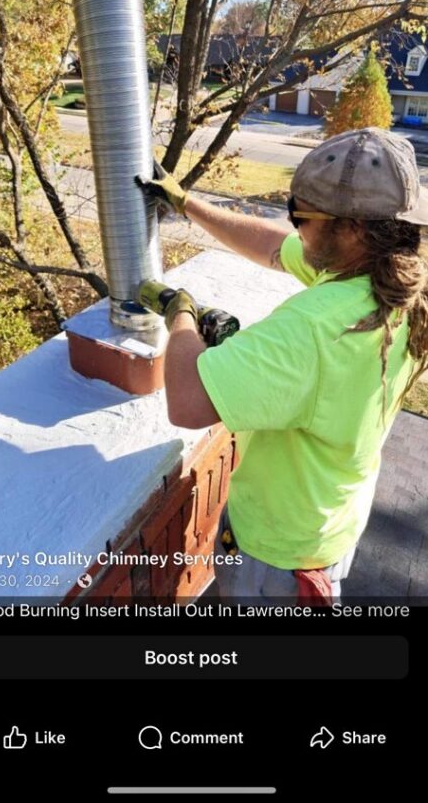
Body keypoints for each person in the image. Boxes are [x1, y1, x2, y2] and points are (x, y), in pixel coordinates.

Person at [136, 128, 428, 602]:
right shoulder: (393, 279)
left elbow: (188, 405)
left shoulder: (312, 329)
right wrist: (186, 204)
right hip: (330, 520)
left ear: (352, 229)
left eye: (300, 215)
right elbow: (274, 247)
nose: (293, 225)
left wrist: (182, 316)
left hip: (277, 557)